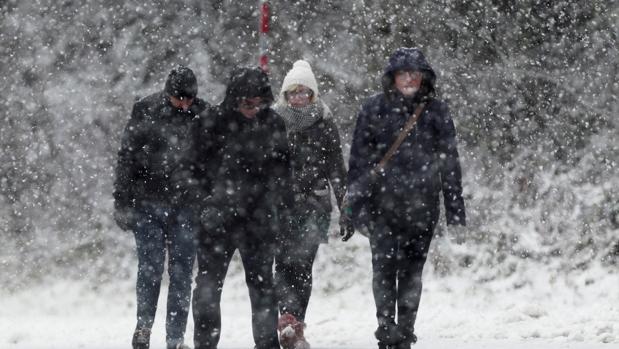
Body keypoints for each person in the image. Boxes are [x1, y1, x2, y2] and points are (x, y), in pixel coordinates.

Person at [343, 47, 466, 349]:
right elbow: (359, 160)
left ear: (424, 77)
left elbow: (450, 162)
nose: (409, 79)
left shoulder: (436, 111)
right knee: (383, 268)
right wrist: (352, 206)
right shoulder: (373, 108)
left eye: (414, 73)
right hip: (381, 205)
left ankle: (406, 331)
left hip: (422, 206)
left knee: (412, 271)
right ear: (392, 77)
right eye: (403, 73)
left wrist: (455, 210)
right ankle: (386, 326)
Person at [192, 66, 292, 349]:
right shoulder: (210, 122)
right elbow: (191, 171)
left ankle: (266, 345)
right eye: (247, 103)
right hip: (216, 221)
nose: (253, 109)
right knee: (208, 289)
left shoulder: (272, 124)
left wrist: (284, 212)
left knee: (262, 289)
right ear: (235, 98)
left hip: (257, 221)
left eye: (259, 102)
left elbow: (283, 172)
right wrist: (204, 204)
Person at [113, 65, 209, 349]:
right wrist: (122, 201)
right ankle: (144, 326)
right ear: (168, 94)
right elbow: (127, 158)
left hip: (187, 206)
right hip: (148, 203)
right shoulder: (145, 110)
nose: (184, 104)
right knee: (151, 268)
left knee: (181, 272)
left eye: (189, 99)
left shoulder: (204, 115)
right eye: (179, 98)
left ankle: (175, 338)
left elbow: (213, 161)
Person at [271, 60, 352, 349]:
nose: (298, 97)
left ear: (312, 94)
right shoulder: (274, 121)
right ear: (285, 94)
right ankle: (286, 318)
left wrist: (346, 207)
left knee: (303, 266)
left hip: (314, 205)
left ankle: (296, 324)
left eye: (303, 92)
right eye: (292, 92)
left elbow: (336, 169)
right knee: (283, 264)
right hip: (281, 205)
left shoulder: (325, 122)